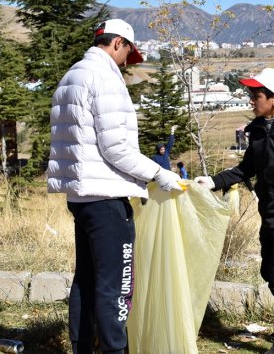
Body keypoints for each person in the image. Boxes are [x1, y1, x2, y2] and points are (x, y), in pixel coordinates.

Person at [47, 19, 184, 353]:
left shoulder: (72, 76)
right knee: (117, 286)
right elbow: (116, 149)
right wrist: (158, 173)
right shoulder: (104, 79)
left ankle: (83, 347)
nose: (127, 62)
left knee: (87, 279)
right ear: (119, 43)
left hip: (81, 196)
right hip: (107, 198)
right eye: (128, 54)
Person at [195, 68, 274, 354]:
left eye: (256, 95)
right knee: (269, 272)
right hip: (269, 213)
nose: (251, 100)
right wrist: (213, 181)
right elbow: (245, 169)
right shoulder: (260, 131)